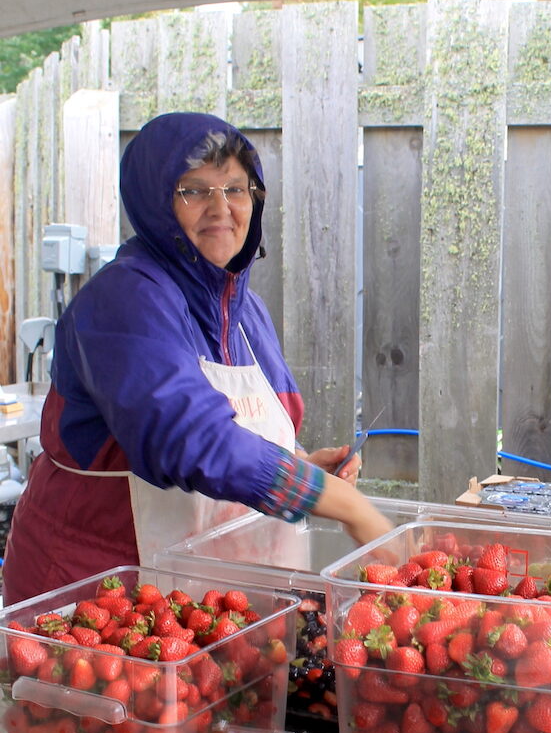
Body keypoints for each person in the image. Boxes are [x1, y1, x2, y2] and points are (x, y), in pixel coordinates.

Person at [2, 112, 392, 605]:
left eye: (236, 188)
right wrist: (345, 506)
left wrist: (301, 465)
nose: (221, 207)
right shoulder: (124, 299)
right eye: (193, 190)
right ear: (155, 203)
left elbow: (243, 434)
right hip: (101, 604)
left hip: (209, 604)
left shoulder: (247, 311)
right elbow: (189, 437)